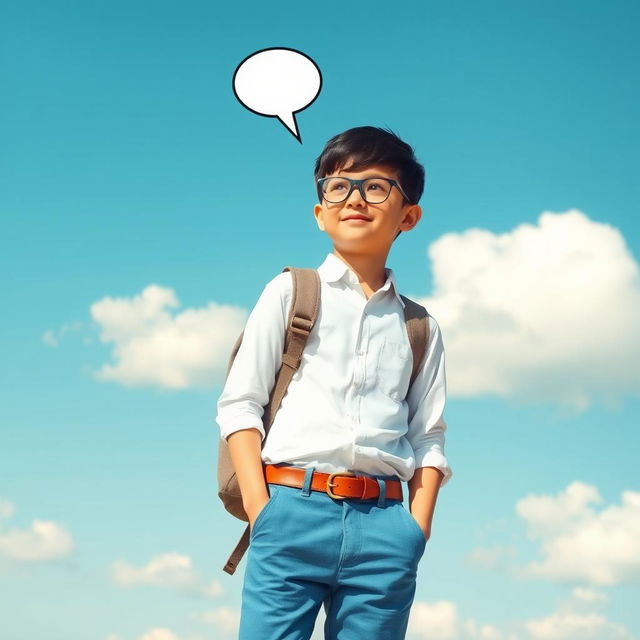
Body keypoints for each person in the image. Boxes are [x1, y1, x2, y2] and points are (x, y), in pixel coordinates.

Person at [215, 125, 452, 640]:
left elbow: (428, 437)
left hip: (386, 526)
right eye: (338, 186)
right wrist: (263, 512)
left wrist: (416, 528)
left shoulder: (419, 327)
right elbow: (239, 407)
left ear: (408, 216)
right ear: (320, 212)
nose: (355, 198)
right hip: (290, 511)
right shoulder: (290, 292)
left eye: (376, 186)